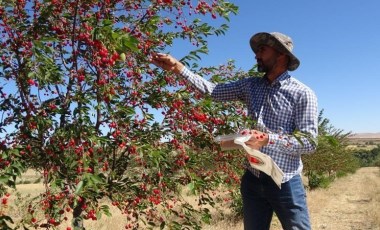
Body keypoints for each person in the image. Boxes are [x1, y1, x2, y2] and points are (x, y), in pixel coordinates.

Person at [151, 32, 318, 230]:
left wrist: (267, 139)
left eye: (262, 50)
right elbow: (212, 91)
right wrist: (179, 68)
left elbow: (309, 142)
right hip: (253, 179)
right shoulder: (250, 86)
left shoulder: (303, 93)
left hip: (286, 182)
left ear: (281, 54)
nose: (256, 55)